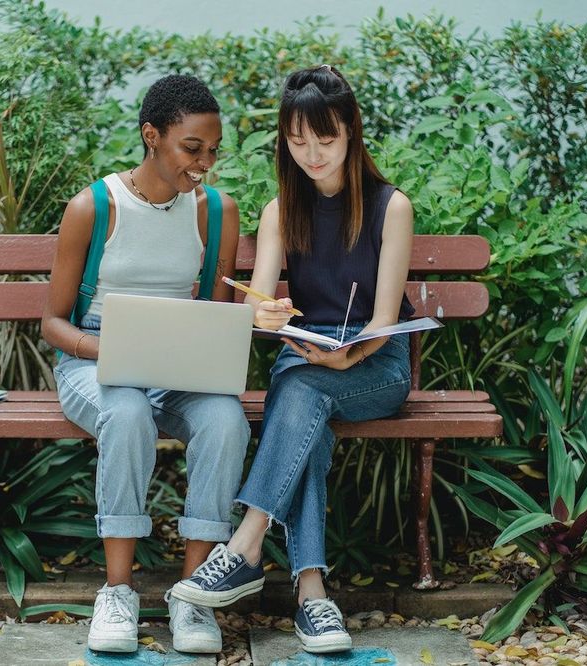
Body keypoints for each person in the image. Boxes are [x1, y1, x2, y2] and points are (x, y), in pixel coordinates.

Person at [170, 64, 415, 654]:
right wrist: (268, 315)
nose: (312, 154)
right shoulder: (282, 209)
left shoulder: (391, 207)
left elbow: (385, 322)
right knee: (307, 418)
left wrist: (349, 356)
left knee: (300, 393)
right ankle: (312, 596)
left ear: (351, 131)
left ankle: (246, 545)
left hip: (375, 364)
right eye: (297, 140)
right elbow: (260, 306)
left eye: (325, 139)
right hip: (307, 356)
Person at [41, 74, 249, 655]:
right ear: (151, 135)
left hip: (179, 362)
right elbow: (53, 322)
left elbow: (218, 314)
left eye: (213, 150)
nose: (205, 163)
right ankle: (117, 592)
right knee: (127, 412)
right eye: (192, 148)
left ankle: (192, 594)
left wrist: (251, 323)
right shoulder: (95, 207)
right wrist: (115, 349)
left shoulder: (215, 210)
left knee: (225, 420)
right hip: (95, 358)